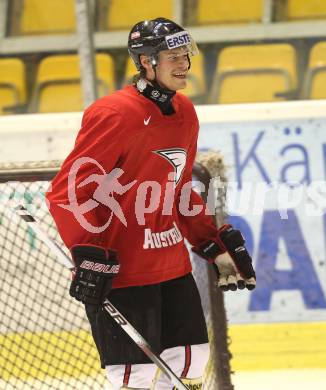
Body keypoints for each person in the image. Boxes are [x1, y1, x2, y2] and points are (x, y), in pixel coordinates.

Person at [46, 17, 256, 390]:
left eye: (185, 55)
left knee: (192, 358)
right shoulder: (114, 113)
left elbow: (177, 189)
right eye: (172, 55)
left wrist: (213, 245)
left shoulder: (185, 112)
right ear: (146, 61)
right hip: (122, 272)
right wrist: (90, 253)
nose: (183, 64)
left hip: (171, 264)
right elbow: (67, 192)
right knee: (135, 376)